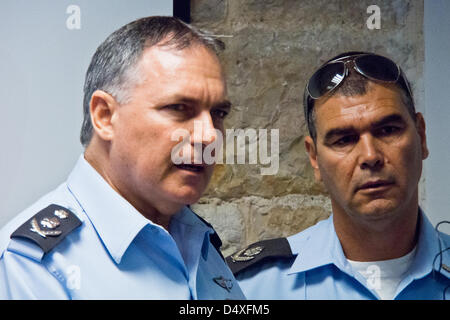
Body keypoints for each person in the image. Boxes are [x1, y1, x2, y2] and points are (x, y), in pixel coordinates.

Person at [0, 16, 245, 300]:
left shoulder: (197, 239)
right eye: (179, 108)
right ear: (104, 116)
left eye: (219, 114)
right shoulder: (31, 267)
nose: (208, 136)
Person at [227, 51, 450, 300]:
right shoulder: (248, 289)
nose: (370, 156)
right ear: (314, 158)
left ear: (421, 136)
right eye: (344, 140)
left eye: (388, 130)